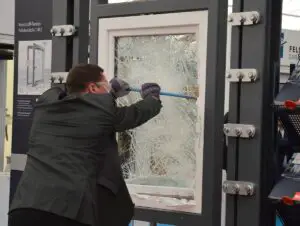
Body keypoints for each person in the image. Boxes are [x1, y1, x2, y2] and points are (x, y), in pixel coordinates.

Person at [8, 63, 163, 226]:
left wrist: (110, 94)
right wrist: (152, 99)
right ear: (93, 88)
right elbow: (132, 115)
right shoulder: (100, 113)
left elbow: (88, 108)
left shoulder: (46, 108)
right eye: (105, 84)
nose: (108, 88)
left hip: (24, 208)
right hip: (65, 212)